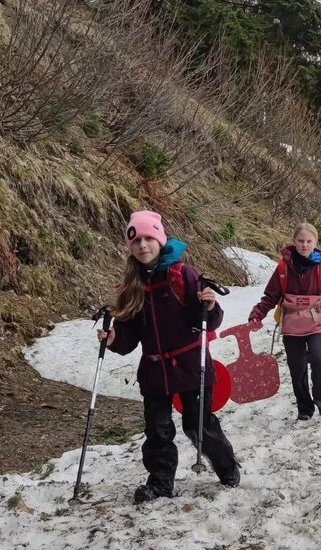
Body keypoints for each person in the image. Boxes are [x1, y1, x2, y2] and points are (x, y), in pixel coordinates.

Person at [97, 210, 240, 503]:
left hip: (189, 364)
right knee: (157, 430)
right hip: (153, 368)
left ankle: (227, 467)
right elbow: (129, 335)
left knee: (197, 423)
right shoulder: (131, 286)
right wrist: (114, 339)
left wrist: (209, 306)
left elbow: (206, 323)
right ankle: (160, 483)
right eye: (136, 240)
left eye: (149, 238)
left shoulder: (182, 274)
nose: (143, 245)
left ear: (160, 240)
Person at [248, 222, 321, 420]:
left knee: (319, 358)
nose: (305, 245)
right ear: (294, 242)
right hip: (291, 325)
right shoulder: (282, 268)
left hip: (317, 322)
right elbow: (270, 297)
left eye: (309, 241)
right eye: (301, 241)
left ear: (315, 243)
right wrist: (257, 314)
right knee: (297, 367)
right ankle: (304, 408)